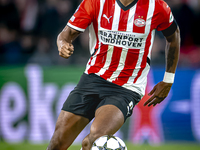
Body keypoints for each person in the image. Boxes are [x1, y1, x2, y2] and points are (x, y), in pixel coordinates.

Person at [47, 0, 180, 149]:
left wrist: (168, 79)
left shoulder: (156, 6)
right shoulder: (95, 2)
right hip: (92, 78)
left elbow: (173, 36)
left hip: (127, 87)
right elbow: (67, 33)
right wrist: (62, 44)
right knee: (57, 144)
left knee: (95, 140)